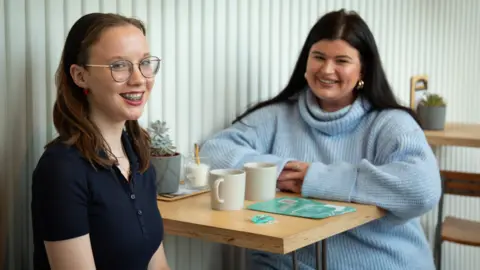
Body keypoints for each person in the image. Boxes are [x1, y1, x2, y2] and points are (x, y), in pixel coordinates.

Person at [199, 9, 441, 270]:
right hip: (288, 262)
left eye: (342, 60)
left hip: (383, 262)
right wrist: (282, 171)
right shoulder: (277, 116)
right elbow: (213, 152)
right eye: (318, 57)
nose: (327, 69)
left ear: (363, 70)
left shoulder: (390, 122)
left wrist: (316, 179)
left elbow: (422, 189)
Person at [31, 13, 170, 270]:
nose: (139, 78)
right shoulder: (62, 170)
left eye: (145, 63)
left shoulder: (139, 158)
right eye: (119, 65)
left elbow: (156, 263)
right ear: (80, 76)